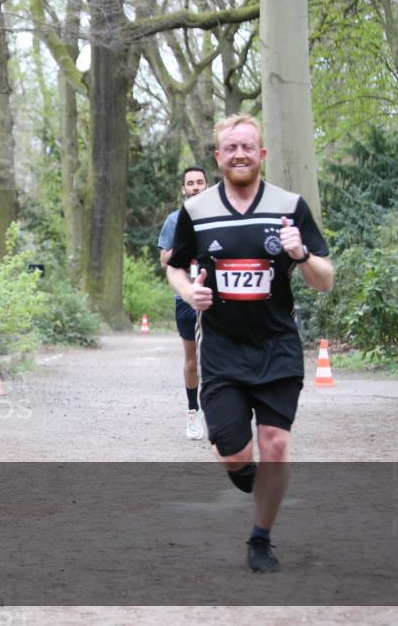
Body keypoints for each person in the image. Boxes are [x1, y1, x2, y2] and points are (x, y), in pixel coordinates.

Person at [165, 114, 333, 573]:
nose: (239, 154)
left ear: (261, 154)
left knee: (275, 444)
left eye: (248, 146)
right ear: (218, 157)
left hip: (276, 345)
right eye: (230, 147)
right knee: (234, 453)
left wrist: (300, 254)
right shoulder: (196, 211)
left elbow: (325, 279)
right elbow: (175, 266)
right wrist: (188, 292)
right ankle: (251, 476)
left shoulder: (289, 206)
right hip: (221, 348)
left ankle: (261, 539)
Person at [158, 166, 209, 440]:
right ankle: (193, 410)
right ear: (183, 189)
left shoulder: (217, 217)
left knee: (221, 355)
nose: (195, 187)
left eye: (200, 182)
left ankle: (223, 410)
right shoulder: (174, 221)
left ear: (207, 185)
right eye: (190, 183)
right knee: (192, 360)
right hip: (186, 297)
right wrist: (187, 246)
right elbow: (165, 259)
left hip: (217, 297)